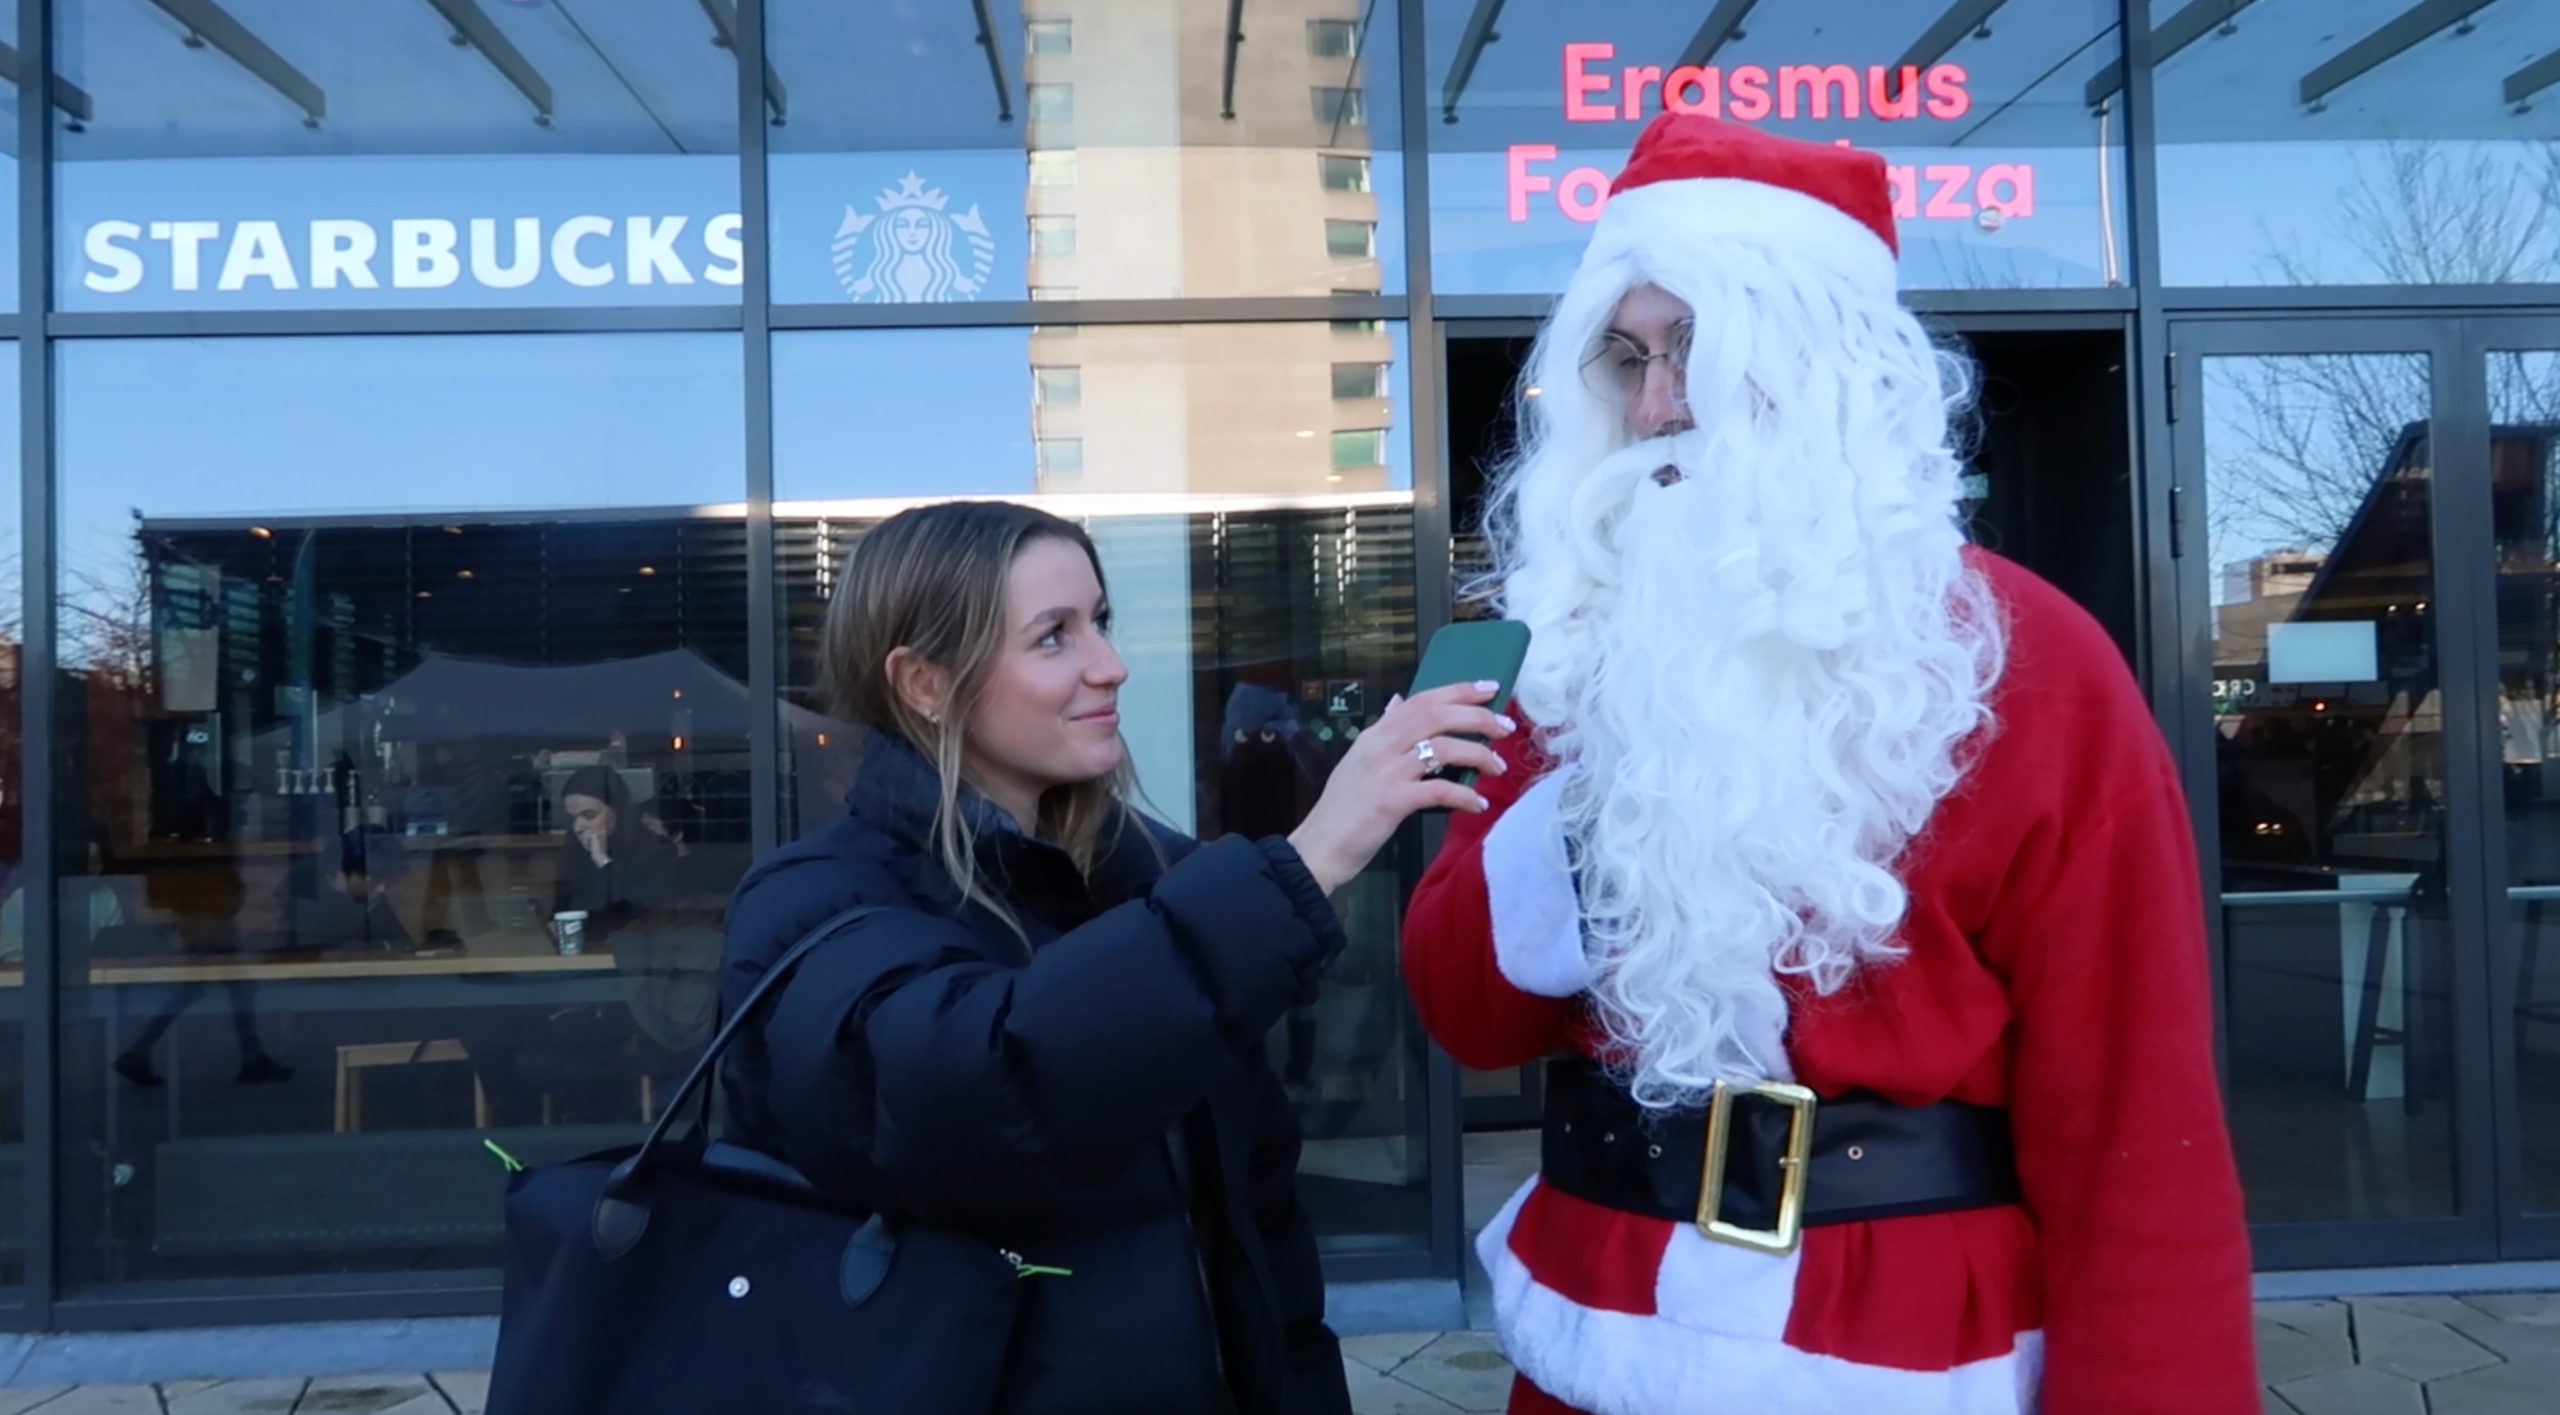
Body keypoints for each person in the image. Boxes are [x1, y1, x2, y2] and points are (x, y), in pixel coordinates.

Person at [1400, 114, 2256, 1415]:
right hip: (1600, 1332)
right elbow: (1469, 1013)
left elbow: (2136, 1127)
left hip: (1900, 1349)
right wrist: (1612, 784)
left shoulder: (2028, 662)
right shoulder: (1563, 658)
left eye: (1696, 349)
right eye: (1627, 358)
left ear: (1825, 368)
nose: (1656, 405)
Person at [719, 500, 1508, 1415]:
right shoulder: (814, 903)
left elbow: (1260, 1223)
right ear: (925, 682)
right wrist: (1309, 858)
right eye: (1053, 636)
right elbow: (990, 1091)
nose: (1111, 664)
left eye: (1101, 620)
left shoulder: (1156, 874)